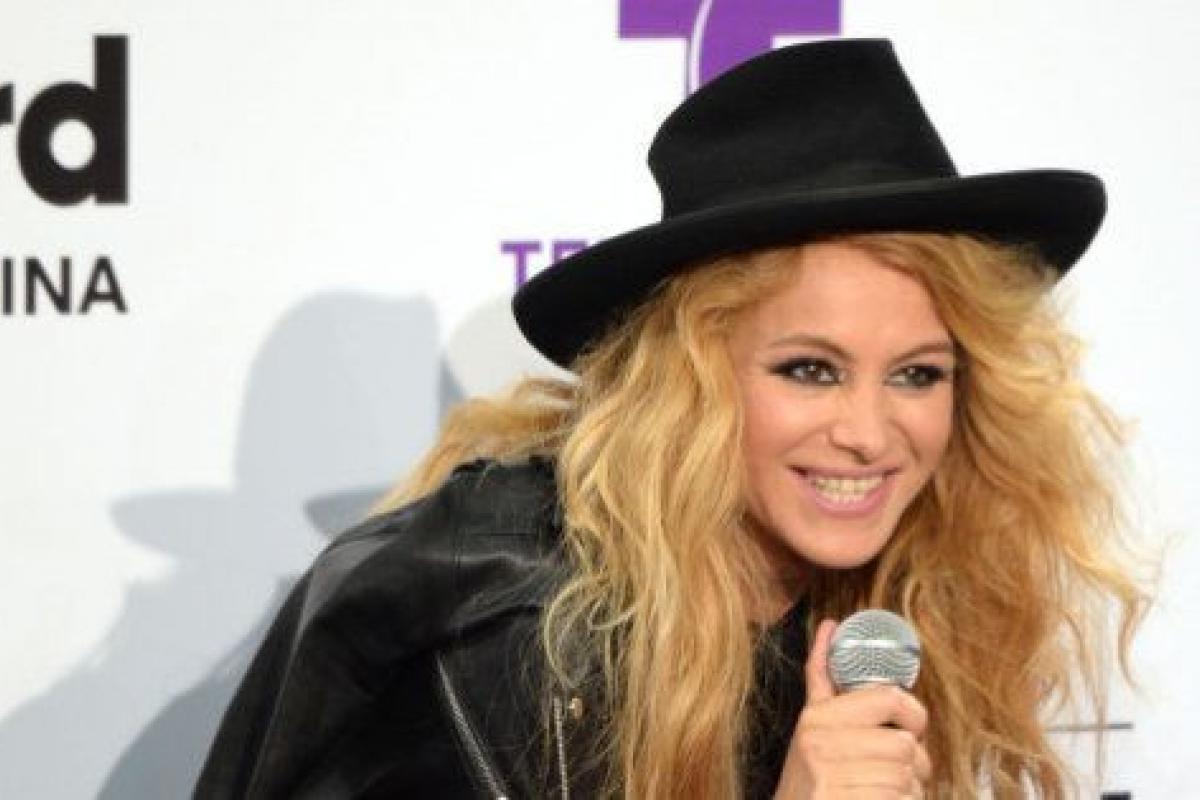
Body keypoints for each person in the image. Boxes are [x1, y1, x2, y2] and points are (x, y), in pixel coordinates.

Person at [195, 39, 1146, 799]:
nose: (868, 432)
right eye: (810, 370)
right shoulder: (509, 628)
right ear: (688, 381)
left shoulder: (863, 606)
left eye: (917, 374)